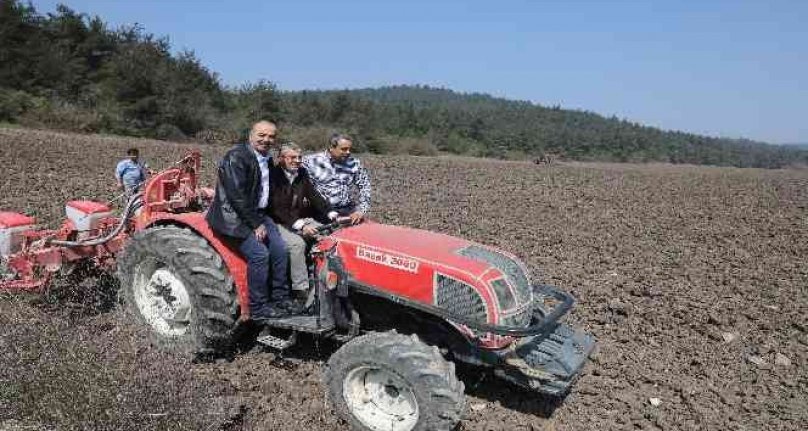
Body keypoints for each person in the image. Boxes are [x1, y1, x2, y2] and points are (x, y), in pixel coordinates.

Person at [205, 120, 295, 320]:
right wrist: (255, 224)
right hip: (233, 218)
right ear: (251, 135)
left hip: (258, 213)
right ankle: (258, 308)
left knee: (280, 249)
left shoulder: (266, 159)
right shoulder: (236, 157)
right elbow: (237, 196)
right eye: (262, 135)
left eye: (271, 136)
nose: (266, 140)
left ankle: (281, 297)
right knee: (260, 254)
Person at [270, 142, 338, 308]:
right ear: (281, 158)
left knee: (329, 237)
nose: (297, 161)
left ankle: (326, 279)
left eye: (299, 157)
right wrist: (300, 225)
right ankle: (301, 290)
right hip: (277, 220)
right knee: (297, 244)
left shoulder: (301, 174)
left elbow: (314, 196)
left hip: (297, 218)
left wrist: (331, 213)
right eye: (292, 157)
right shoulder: (273, 176)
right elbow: (276, 207)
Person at [302, 133, 371, 225]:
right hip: (321, 211)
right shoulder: (311, 161)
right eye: (344, 149)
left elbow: (365, 187)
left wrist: (361, 210)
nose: (348, 152)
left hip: (348, 210)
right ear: (331, 148)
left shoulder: (355, 164)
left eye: (350, 149)